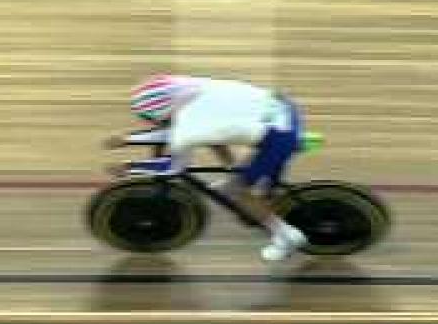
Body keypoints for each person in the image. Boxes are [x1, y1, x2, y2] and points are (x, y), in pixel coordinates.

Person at [104, 73, 309, 262]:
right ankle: (240, 178)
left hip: (280, 137)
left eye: (149, 118)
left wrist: (130, 167)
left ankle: (286, 236)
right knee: (214, 134)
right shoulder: (195, 89)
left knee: (237, 191)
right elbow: (181, 132)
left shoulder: (189, 127)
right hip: (284, 108)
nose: (150, 122)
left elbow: (172, 167)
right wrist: (127, 140)